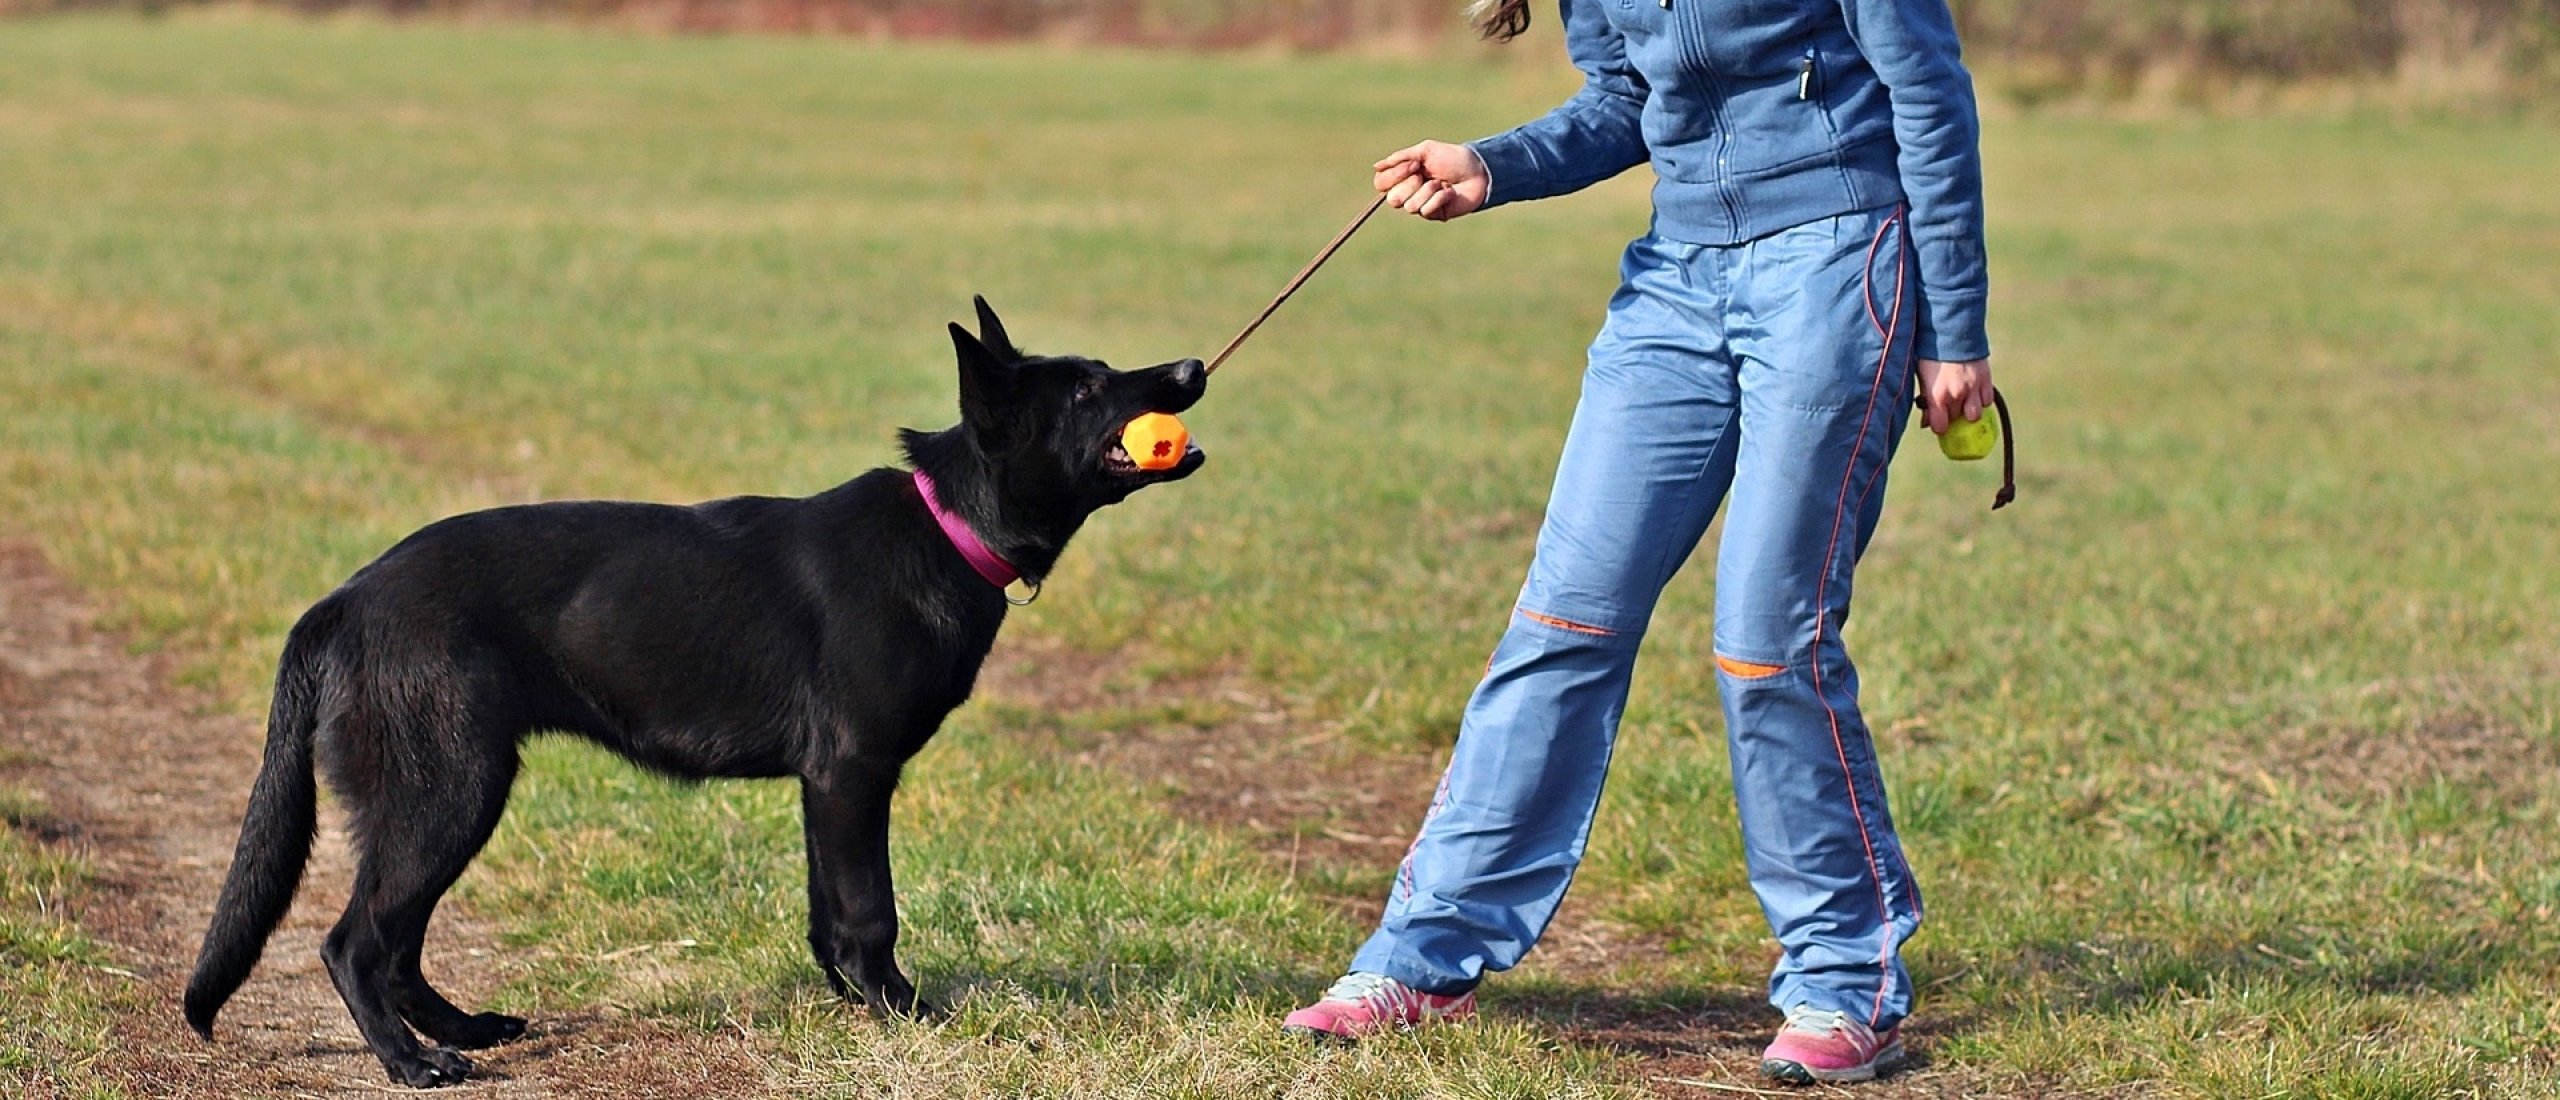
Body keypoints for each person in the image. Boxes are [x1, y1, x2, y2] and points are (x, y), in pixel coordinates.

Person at [1278, 0, 1993, 1085]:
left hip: (1838, 262)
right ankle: (1421, 957)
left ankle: (1846, 980)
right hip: (1678, 276)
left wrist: (1954, 329)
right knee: (1561, 619)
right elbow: (1628, 101)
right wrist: (1489, 164)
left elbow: (1929, 96)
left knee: (1767, 640)